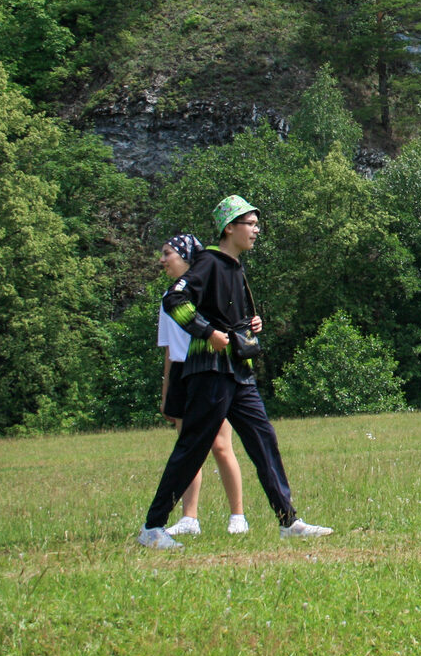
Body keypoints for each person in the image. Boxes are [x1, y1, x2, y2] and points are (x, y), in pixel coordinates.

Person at [138, 196, 333, 548]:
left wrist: (250, 323)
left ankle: (289, 521)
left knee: (263, 439)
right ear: (230, 227)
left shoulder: (235, 267)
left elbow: (231, 317)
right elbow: (174, 301)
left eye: (257, 224)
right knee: (193, 447)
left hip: (238, 372)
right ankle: (152, 528)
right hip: (210, 370)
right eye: (251, 224)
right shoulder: (209, 262)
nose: (257, 231)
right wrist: (206, 332)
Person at [156, 233, 251, 536]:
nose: (162, 260)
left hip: (210, 367)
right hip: (184, 375)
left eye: (167, 253)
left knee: (221, 446)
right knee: (189, 449)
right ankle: (189, 518)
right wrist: (166, 393)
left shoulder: (210, 291)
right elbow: (170, 352)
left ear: (185, 256)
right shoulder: (167, 299)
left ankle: (238, 516)